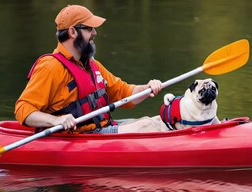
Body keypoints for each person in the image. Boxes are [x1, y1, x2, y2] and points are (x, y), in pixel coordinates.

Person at [15, 5, 162, 134]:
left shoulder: (91, 65)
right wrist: (55, 121)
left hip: (101, 129)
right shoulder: (50, 67)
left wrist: (148, 88)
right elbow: (23, 109)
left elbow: (123, 93)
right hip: (78, 137)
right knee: (146, 125)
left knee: (160, 121)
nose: (94, 33)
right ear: (72, 32)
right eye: (89, 28)